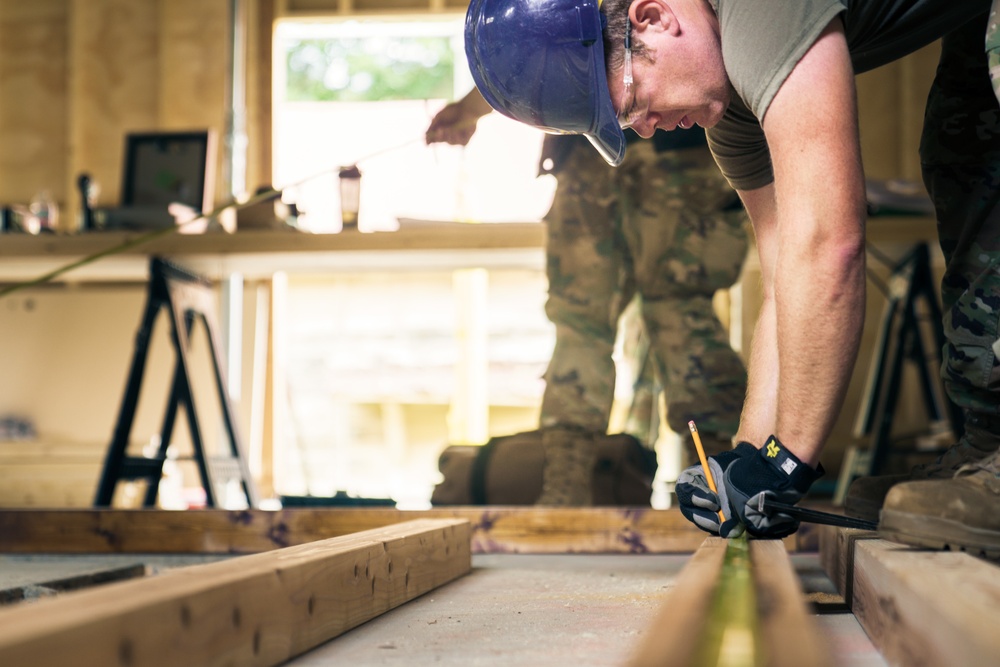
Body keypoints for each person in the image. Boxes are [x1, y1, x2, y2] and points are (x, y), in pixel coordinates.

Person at [463, 0, 1000, 553]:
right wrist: (746, 458)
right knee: (968, 150)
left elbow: (829, 246)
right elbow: (783, 280)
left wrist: (787, 460)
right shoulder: (730, 113)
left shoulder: (754, 14)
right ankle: (991, 446)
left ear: (654, 18)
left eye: (635, 101)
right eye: (628, 123)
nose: (646, 130)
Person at [426, 87, 750, 505]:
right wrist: (471, 109)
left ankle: (704, 486)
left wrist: (471, 109)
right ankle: (709, 490)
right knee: (666, 317)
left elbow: (542, 36)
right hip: (630, 151)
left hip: (652, 146)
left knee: (619, 322)